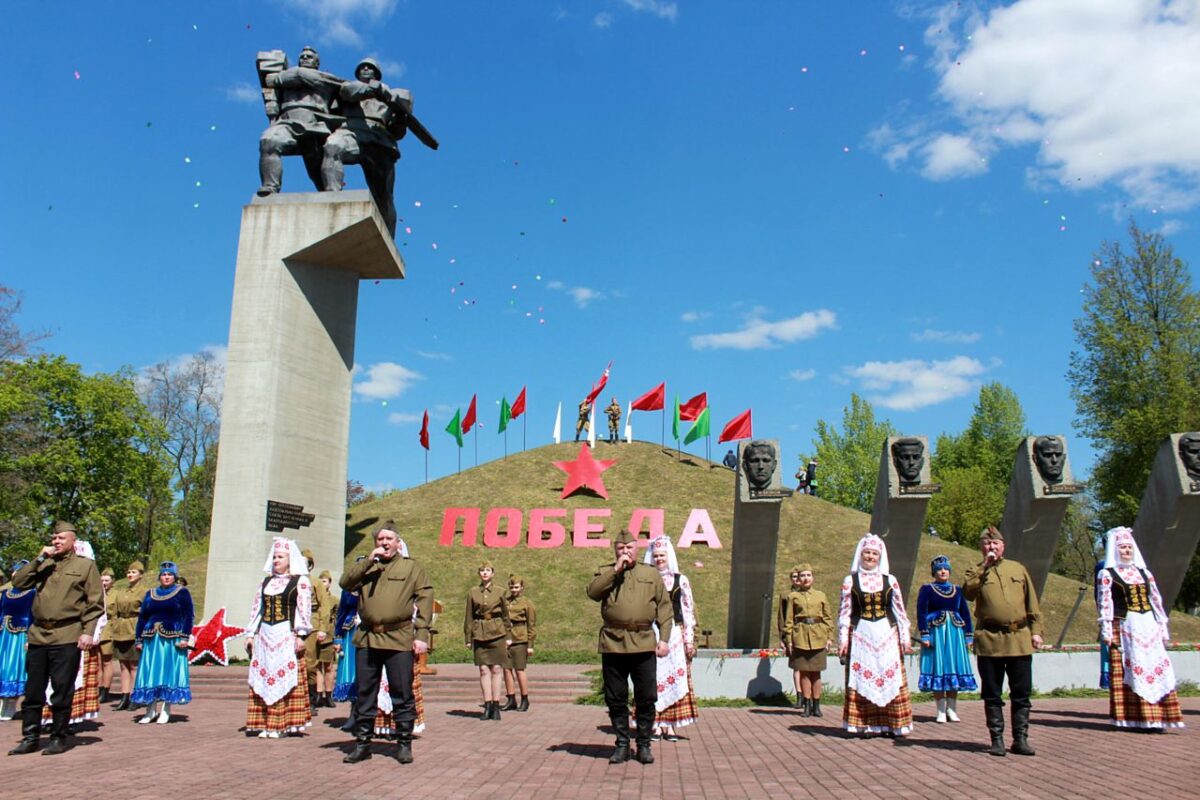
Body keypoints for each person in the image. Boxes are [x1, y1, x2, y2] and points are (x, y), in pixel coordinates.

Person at [339, 521, 433, 765]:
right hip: (368, 638)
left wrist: (422, 635)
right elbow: (345, 583)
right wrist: (368, 561)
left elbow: (425, 599)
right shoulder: (368, 568)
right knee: (365, 693)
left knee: (402, 692)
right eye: (380, 540)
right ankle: (362, 744)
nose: (384, 543)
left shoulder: (411, 568)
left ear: (398, 542)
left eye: (389, 539)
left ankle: (403, 743)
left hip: (398, 638)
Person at [8, 521, 103, 756]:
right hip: (39, 634)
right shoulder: (44, 564)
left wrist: (88, 631)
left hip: (67, 634)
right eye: (54, 538)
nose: (56, 541)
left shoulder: (85, 566)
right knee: (33, 690)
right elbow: (19, 583)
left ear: (73, 541)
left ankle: (58, 737)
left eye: (61, 538)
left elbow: (94, 602)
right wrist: (39, 558)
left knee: (62, 689)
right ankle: (30, 737)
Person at [586, 529, 673, 765]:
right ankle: (622, 744)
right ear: (615, 550)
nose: (625, 552)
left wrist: (664, 639)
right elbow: (593, 593)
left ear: (637, 548)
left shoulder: (650, 574)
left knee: (646, 697)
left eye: (629, 548)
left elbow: (665, 609)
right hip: (613, 643)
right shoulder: (606, 572)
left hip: (643, 642)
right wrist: (615, 570)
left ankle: (643, 744)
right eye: (621, 548)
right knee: (616, 697)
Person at [962, 525, 1043, 757]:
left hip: (1018, 638)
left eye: (995, 543)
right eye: (987, 544)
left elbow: (1032, 603)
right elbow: (967, 593)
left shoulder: (1017, 569)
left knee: (1021, 693)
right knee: (992, 693)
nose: (991, 547)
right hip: (989, 639)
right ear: (981, 547)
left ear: (1003, 545)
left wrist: (1036, 631)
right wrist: (984, 568)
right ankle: (996, 739)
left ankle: (1020, 739)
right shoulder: (975, 571)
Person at [1096, 526, 1184, 730]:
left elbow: (1156, 600)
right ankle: (1134, 717)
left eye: (1129, 547)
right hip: (1125, 625)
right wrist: (1107, 631)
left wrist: (1162, 627)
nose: (1126, 551)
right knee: (1131, 669)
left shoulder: (1144, 573)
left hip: (1148, 625)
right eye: (1122, 548)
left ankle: (1158, 717)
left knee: (1155, 667)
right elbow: (1105, 603)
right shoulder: (1107, 574)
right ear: (1115, 550)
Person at [322, 57, 418, 236]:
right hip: (352, 131)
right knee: (333, 146)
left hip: (380, 139)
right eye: (362, 67)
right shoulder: (348, 87)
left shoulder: (393, 96)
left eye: (370, 67)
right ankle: (331, 196)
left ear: (377, 73)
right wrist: (376, 90)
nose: (366, 69)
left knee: (384, 196)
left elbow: (398, 133)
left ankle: (388, 236)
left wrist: (399, 119)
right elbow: (349, 93)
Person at [837, 533, 914, 737]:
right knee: (863, 678)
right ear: (860, 555)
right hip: (862, 634)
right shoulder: (850, 580)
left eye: (874, 553)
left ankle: (893, 724)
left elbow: (899, 610)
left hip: (887, 634)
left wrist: (905, 638)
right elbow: (845, 612)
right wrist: (843, 639)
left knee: (890, 678)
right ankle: (866, 724)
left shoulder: (890, 580)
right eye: (867, 553)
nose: (870, 557)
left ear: (880, 557)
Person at [245, 537, 314, 739]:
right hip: (266, 634)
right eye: (274, 556)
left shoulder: (299, 582)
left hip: (286, 632)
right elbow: (257, 609)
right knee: (265, 675)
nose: (276, 560)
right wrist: (250, 633)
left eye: (280, 557)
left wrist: (301, 635)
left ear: (290, 559)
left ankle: (282, 723)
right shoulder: (265, 582)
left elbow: (304, 609)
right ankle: (265, 722)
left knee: (285, 676)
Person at [256, 46, 342, 196]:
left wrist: (278, 78)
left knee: (316, 169)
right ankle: (270, 186)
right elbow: (272, 88)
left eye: (309, 56)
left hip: (315, 123)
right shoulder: (284, 78)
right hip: (287, 121)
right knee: (268, 141)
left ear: (317, 63)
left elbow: (299, 75)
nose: (305, 58)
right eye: (302, 56)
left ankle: (330, 192)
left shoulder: (325, 78)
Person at [644, 535, 698, 741]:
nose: (659, 559)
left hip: (675, 633)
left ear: (669, 556)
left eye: (662, 555)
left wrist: (689, 640)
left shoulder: (680, 579)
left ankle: (672, 725)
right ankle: (655, 724)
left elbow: (688, 610)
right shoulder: (648, 580)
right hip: (652, 633)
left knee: (675, 679)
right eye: (656, 555)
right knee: (653, 679)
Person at [129, 562, 193, 724]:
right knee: (150, 673)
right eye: (164, 574)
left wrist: (185, 637)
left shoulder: (182, 593)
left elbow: (188, 616)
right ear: (159, 576)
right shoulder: (150, 593)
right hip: (151, 638)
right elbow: (143, 617)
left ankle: (166, 709)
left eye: (169, 574)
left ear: (175, 577)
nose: (166, 577)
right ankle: (150, 710)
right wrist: (139, 639)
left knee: (167, 672)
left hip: (172, 639)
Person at [916, 556, 976, 723]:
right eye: (939, 569)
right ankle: (940, 710)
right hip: (936, 632)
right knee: (938, 668)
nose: (943, 571)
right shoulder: (927, 589)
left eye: (946, 569)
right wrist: (925, 634)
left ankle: (952, 709)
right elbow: (921, 612)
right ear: (934, 572)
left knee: (954, 669)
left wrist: (968, 636)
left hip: (955, 633)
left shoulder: (957, 590)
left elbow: (965, 613)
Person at [778, 563, 833, 717]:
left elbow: (828, 618)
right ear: (798, 579)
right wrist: (788, 639)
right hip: (800, 637)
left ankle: (817, 705)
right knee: (804, 673)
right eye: (802, 576)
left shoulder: (820, 595)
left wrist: (829, 637)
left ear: (813, 577)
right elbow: (789, 620)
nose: (806, 578)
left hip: (818, 636)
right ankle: (806, 705)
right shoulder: (793, 597)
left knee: (816, 673)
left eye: (808, 575)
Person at [465, 561, 513, 721]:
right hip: (479, 632)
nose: (485, 573)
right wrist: (468, 637)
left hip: (497, 631)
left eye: (488, 570)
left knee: (497, 669)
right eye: (482, 571)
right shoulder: (472, 592)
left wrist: (508, 636)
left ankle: (496, 704)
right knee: (484, 670)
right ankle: (487, 705)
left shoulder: (500, 592)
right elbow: (469, 616)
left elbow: (506, 615)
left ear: (493, 573)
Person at [109, 560, 149, 711]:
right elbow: (114, 611)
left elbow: (147, 612)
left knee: (134, 665)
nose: (130, 575)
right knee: (123, 664)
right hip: (121, 629)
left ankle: (135, 695)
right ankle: (124, 695)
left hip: (134, 628)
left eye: (134, 572)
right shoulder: (122, 591)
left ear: (141, 575)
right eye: (129, 572)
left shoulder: (144, 592)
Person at [300, 550, 335, 711]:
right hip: (293, 624)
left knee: (310, 664)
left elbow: (324, 607)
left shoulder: (315, 583)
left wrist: (322, 628)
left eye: (304, 562)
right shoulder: (291, 581)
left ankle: (312, 700)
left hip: (311, 624)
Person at [0, 560, 34, 721]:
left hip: (20, 636)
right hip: (4, 636)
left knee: (15, 666)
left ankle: (12, 703)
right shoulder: (6, 593)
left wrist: (30, 636)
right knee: (3, 666)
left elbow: (33, 616)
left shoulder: (32, 593)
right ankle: (3, 703)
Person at [332, 560, 362, 731]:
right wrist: (338, 638)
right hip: (350, 633)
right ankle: (353, 714)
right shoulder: (348, 591)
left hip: (368, 632)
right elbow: (341, 612)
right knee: (351, 673)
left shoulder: (373, 587)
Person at [501, 574, 536, 712]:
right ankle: (511, 698)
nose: (514, 589)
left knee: (519, 669)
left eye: (516, 587)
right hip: (506, 638)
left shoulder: (527, 603)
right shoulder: (505, 601)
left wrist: (530, 645)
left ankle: (525, 699)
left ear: (522, 587)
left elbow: (532, 624)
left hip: (520, 639)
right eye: (511, 587)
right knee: (506, 669)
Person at [97, 568, 115, 703]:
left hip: (108, 629)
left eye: (107, 580)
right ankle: (98, 688)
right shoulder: (96, 593)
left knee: (107, 661)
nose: (104, 583)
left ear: (112, 581)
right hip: (96, 629)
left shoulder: (115, 594)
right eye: (102, 580)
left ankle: (105, 690)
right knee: (97, 662)